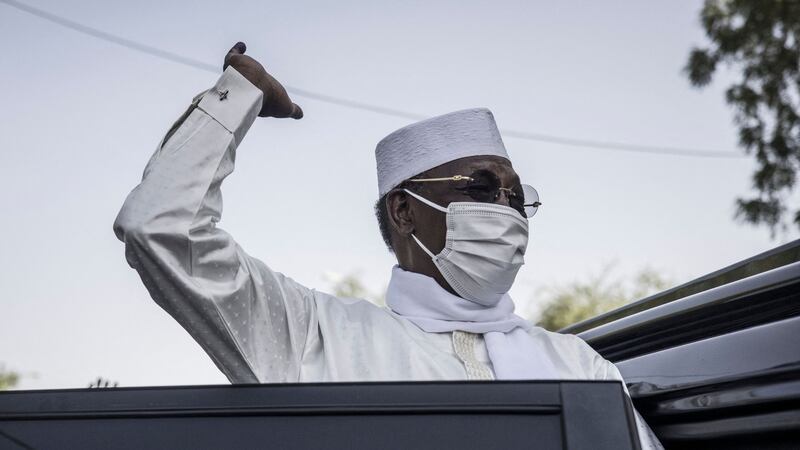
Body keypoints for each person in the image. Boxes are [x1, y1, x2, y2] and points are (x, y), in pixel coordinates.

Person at [114, 42, 663, 449]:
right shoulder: (315, 338)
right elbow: (161, 226)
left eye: (516, 196)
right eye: (481, 187)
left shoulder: (580, 368)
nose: (505, 209)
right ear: (404, 211)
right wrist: (237, 96)